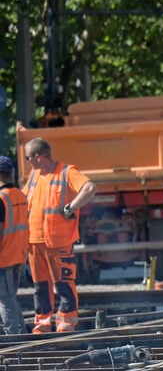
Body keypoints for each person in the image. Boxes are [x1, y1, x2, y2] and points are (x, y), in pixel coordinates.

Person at [23, 138, 97, 333]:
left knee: (63, 283)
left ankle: (66, 322)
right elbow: (24, 201)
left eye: (28, 157)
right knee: (40, 285)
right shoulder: (34, 175)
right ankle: (43, 321)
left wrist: (71, 207)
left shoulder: (66, 172)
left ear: (38, 156)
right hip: (34, 241)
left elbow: (90, 188)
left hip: (58, 241)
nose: (27, 161)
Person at [0, 156, 28, 335]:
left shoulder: (1, 197)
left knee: (5, 301)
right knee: (10, 298)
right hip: (18, 254)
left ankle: (14, 339)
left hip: (4, 256)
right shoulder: (20, 194)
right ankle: (22, 334)